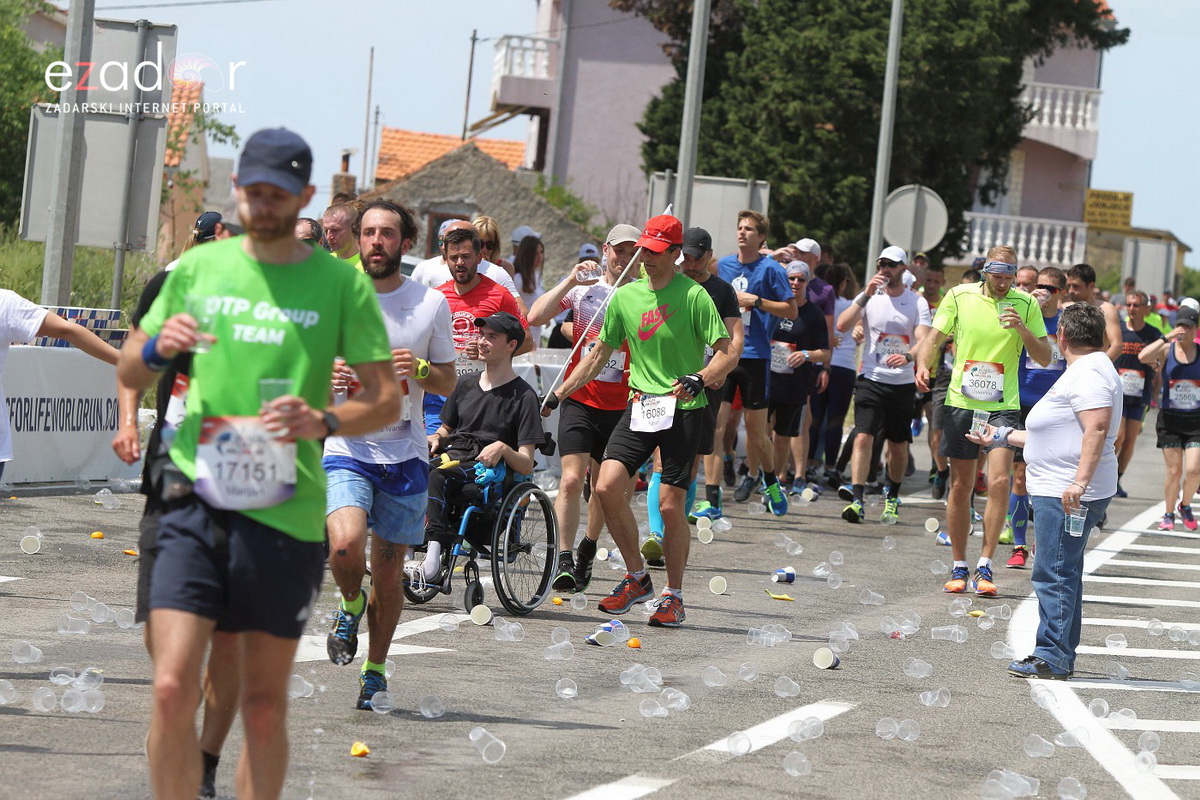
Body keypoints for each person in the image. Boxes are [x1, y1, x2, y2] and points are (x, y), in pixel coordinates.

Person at [117, 128, 400, 800]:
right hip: (190, 497)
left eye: (280, 193)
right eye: (255, 191)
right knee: (170, 686)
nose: (265, 204)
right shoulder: (198, 270)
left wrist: (325, 421)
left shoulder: (340, 285)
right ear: (238, 189)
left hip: (284, 510)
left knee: (264, 706)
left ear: (305, 195)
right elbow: (129, 365)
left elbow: (385, 398)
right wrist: (156, 347)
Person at [545, 214, 734, 628]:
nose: (645, 257)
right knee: (607, 486)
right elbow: (598, 355)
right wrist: (560, 393)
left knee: (670, 505)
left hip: (684, 409)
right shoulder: (626, 297)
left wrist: (701, 377)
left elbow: (727, 351)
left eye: (654, 251)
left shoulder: (694, 296)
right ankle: (637, 577)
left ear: (674, 253)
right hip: (641, 405)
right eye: (642, 250)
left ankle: (674, 596)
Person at [112, 220, 241, 799]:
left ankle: (206, 761)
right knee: (167, 661)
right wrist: (127, 421)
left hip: (247, 484)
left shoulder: (275, 297)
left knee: (228, 639)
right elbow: (132, 358)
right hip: (172, 478)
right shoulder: (169, 284)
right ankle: (178, 741)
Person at [321, 201, 456, 709]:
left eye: (388, 233)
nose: (377, 241)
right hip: (348, 446)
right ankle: (350, 600)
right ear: (358, 240)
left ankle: (375, 671)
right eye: (369, 232)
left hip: (405, 455)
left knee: (390, 571)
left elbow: (448, 380)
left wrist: (419, 368)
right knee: (344, 548)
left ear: (406, 242)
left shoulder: (430, 303)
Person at [967, 303, 1119, 679]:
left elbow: (1097, 428)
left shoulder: (1089, 372)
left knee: (1054, 572)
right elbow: (1054, 433)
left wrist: (1079, 482)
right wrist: (1001, 435)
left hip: (1067, 492)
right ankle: (1059, 652)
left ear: (1061, 335)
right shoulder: (1087, 369)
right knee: (1063, 571)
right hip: (1065, 487)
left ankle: (1053, 655)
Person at [915, 246, 1051, 597]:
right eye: (997, 276)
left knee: (999, 480)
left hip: (1003, 405)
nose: (1003, 283)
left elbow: (1045, 356)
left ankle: (986, 565)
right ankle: (960, 565)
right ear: (985, 272)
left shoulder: (1026, 303)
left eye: (1009, 276)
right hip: (962, 401)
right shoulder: (959, 296)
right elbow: (934, 337)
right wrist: (923, 365)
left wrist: (1022, 330)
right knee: (961, 485)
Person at [529, 223, 640, 593]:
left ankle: (588, 547)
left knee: (604, 489)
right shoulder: (583, 290)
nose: (625, 258)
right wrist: (569, 281)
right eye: (619, 250)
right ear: (605, 250)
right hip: (579, 398)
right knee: (571, 480)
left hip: (622, 406)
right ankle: (563, 558)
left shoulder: (642, 294)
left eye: (633, 253)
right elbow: (535, 317)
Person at [424, 312, 543, 562]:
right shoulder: (464, 383)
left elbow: (526, 464)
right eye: (481, 335)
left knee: (438, 475)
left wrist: (503, 448)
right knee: (412, 467)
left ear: (511, 345)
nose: (481, 341)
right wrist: (435, 437)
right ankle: (404, 552)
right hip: (455, 455)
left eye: (491, 337)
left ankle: (432, 559)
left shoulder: (524, 396)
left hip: (486, 469)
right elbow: (446, 429)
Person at [836, 246, 930, 525]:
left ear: (903, 268)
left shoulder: (916, 302)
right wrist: (865, 295)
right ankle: (857, 500)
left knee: (897, 446)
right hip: (871, 379)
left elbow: (924, 338)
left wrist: (909, 356)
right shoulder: (870, 296)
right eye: (881, 264)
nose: (885, 269)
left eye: (891, 264)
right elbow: (842, 325)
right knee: (862, 437)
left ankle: (892, 497)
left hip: (901, 384)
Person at [716, 210, 797, 515]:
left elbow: (791, 311)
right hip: (725, 354)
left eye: (749, 229)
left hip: (756, 356)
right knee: (716, 427)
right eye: (740, 227)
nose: (742, 232)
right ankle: (712, 496)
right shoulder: (724, 265)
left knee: (756, 433)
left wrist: (757, 301)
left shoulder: (771, 269)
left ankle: (770, 479)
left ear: (761, 237)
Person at [424, 226, 531, 435]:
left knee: (470, 454)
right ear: (446, 259)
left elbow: (526, 341)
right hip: (439, 397)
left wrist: (488, 353)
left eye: (466, 256)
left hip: (481, 397)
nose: (459, 263)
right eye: (453, 257)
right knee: (433, 450)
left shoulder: (499, 295)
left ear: (479, 257)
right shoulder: (435, 297)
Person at [1002, 266, 1067, 569]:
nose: (1042, 292)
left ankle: (1044, 541)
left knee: (1051, 482)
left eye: (1049, 289)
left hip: (1055, 408)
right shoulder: (1024, 316)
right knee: (1019, 476)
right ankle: (1018, 545)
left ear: (1060, 293)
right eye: (1038, 286)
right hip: (1022, 403)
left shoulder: (1066, 323)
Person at [681, 227, 745, 523]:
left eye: (697, 259)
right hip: (669, 376)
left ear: (709, 256)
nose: (691, 265)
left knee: (697, 450)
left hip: (707, 379)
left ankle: (683, 515)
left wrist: (722, 369)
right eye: (686, 258)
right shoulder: (671, 283)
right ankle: (662, 526)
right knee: (662, 456)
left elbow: (735, 338)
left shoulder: (722, 290)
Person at [1137, 304, 1200, 532]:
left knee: (1193, 470)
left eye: (1189, 326)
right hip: (1170, 420)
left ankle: (1185, 505)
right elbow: (1143, 356)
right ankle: (1168, 514)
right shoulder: (1166, 349)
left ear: (1196, 329)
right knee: (1174, 471)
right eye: (1180, 325)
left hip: (1195, 421)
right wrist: (1167, 336)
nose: (1184, 330)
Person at [769, 261, 830, 495]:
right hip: (768, 379)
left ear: (807, 283)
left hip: (795, 384)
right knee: (762, 432)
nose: (795, 283)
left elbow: (825, 352)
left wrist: (805, 355)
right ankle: (764, 475)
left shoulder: (814, 314)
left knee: (784, 435)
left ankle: (780, 479)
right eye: (791, 278)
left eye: (801, 279)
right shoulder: (775, 306)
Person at [808, 264, 857, 487]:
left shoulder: (820, 304)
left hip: (820, 362)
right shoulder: (850, 305)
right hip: (844, 366)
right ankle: (830, 468)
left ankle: (810, 464)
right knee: (836, 420)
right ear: (844, 283)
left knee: (815, 418)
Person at [1112, 289, 1160, 498]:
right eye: (1129, 304)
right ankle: (1106, 477)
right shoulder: (1119, 331)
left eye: (1136, 305)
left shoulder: (1153, 334)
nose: (1132, 308)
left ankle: (1117, 479)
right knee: (1118, 437)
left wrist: (1156, 388)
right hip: (1118, 393)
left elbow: (1160, 364)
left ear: (1146, 309)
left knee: (1130, 440)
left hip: (1140, 394)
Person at [1065, 263, 1123, 360]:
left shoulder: (1106, 310)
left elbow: (1117, 346)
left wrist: (1096, 365)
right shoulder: (1065, 308)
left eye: (1076, 286)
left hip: (1093, 366)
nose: (1071, 291)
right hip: (1067, 366)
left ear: (1091, 285)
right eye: (1068, 286)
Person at [513, 234, 546, 346]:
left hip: (536, 334)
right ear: (527, 255)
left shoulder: (537, 276)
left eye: (541, 252)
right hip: (522, 336)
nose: (539, 256)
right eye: (535, 253)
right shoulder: (518, 279)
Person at [321, 202, 361, 267]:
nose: (329, 236)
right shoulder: (322, 263)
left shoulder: (370, 265)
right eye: (326, 231)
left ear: (354, 228)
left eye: (335, 230)